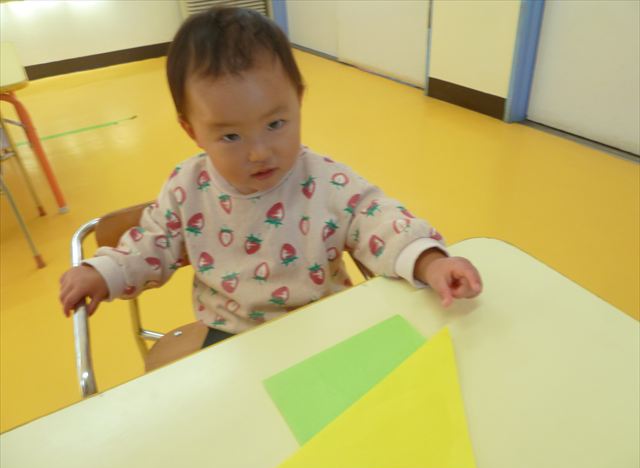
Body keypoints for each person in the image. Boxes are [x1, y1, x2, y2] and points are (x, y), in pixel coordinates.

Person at [59, 7, 482, 347]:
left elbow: (379, 220)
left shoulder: (326, 180)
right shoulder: (187, 188)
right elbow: (151, 245)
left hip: (328, 324)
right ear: (192, 131)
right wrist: (104, 272)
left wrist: (430, 261)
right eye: (230, 136)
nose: (259, 152)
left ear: (298, 101)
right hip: (232, 337)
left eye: (276, 124)